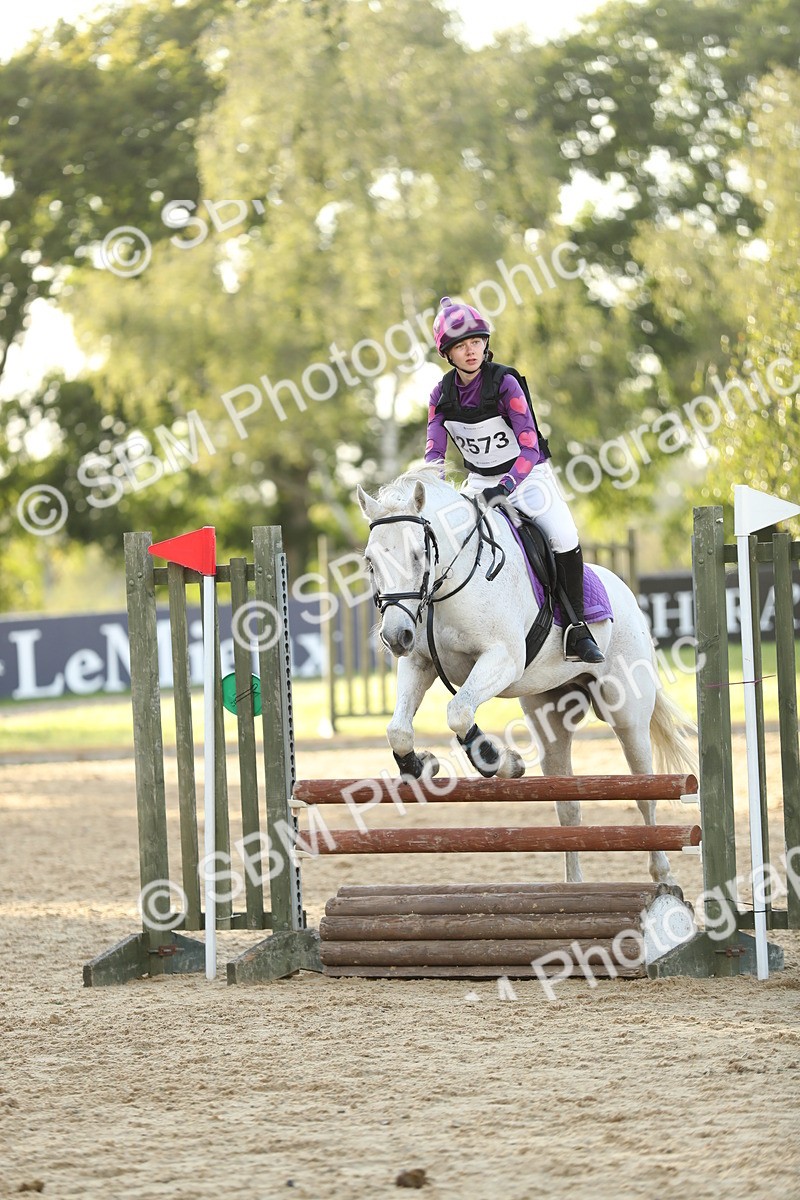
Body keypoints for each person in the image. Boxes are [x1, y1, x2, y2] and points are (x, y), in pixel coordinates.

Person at [425, 295, 604, 665]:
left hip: (526, 476)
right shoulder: (440, 396)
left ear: (485, 343)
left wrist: (504, 488)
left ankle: (577, 628)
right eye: (461, 346)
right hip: (478, 481)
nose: (471, 351)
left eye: (476, 342)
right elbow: (434, 458)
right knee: (442, 533)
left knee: (563, 536)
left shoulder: (505, 382)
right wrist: (432, 496)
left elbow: (529, 447)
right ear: (448, 354)